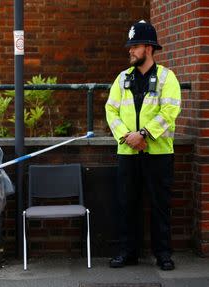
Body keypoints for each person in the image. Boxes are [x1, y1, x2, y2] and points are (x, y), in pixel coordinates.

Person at [105, 20, 181, 271]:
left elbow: (169, 111)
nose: (130, 50)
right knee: (127, 204)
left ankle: (163, 254)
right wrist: (128, 136)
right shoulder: (122, 78)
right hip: (128, 151)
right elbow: (111, 110)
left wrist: (144, 135)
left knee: (160, 207)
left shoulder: (167, 78)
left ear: (149, 48)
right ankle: (127, 252)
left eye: (135, 46)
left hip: (158, 153)